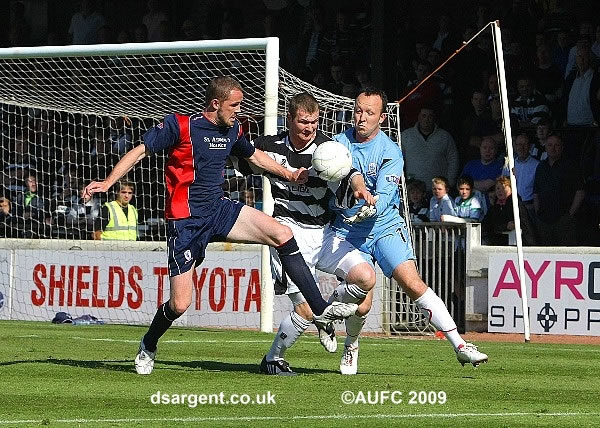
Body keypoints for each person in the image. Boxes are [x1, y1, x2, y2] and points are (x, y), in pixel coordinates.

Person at [83, 76, 358, 375]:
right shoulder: (181, 125)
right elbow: (140, 150)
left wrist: (288, 174)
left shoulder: (233, 129)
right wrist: (108, 182)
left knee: (282, 233)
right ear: (216, 103)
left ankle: (320, 309)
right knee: (179, 304)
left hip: (219, 210)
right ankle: (148, 343)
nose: (239, 111)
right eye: (235, 105)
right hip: (186, 221)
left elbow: (254, 156)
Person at [327, 88, 488, 374]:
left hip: (385, 225)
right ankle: (351, 345)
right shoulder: (338, 144)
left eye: (369, 113)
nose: (362, 117)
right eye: (358, 110)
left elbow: (386, 194)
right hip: (350, 230)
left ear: (382, 117)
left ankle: (461, 345)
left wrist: (372, 206)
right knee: (363, 306)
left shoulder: (390, 151)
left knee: (413, 284)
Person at [235, 92, 376, 376]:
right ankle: (273, 359)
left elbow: (352, 173)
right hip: (286, 235)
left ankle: (326, 312)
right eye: (303, 122)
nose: (309, 128)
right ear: (289, 119)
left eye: (314, 122)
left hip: (323, 233)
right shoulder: (269, 146)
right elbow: (238, 159)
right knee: (306, 311)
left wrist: (360, 188)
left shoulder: (327, 148)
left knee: (366, 277)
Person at [533, 135, 585, 246]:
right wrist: (538, 213)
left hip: (564, 220)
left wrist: (570, 215)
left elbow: (580, 192)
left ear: (562, 147)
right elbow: (536, 192)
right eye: (550, 145)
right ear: (545, 147)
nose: (553, 148)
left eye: (556, 145)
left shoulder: (571, 166)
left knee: (566, 252)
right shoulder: (541, 167)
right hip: (544, 220)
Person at [401, 106, 460, 187]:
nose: (426, 119)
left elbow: (453, 159)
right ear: (418, 117)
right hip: (414, 189)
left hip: (438, 189)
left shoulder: (445, 136)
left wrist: (450, 181)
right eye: (424, 116)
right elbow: (398, 160)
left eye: (430, 116)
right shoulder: (406, 136)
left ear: (434, 118)